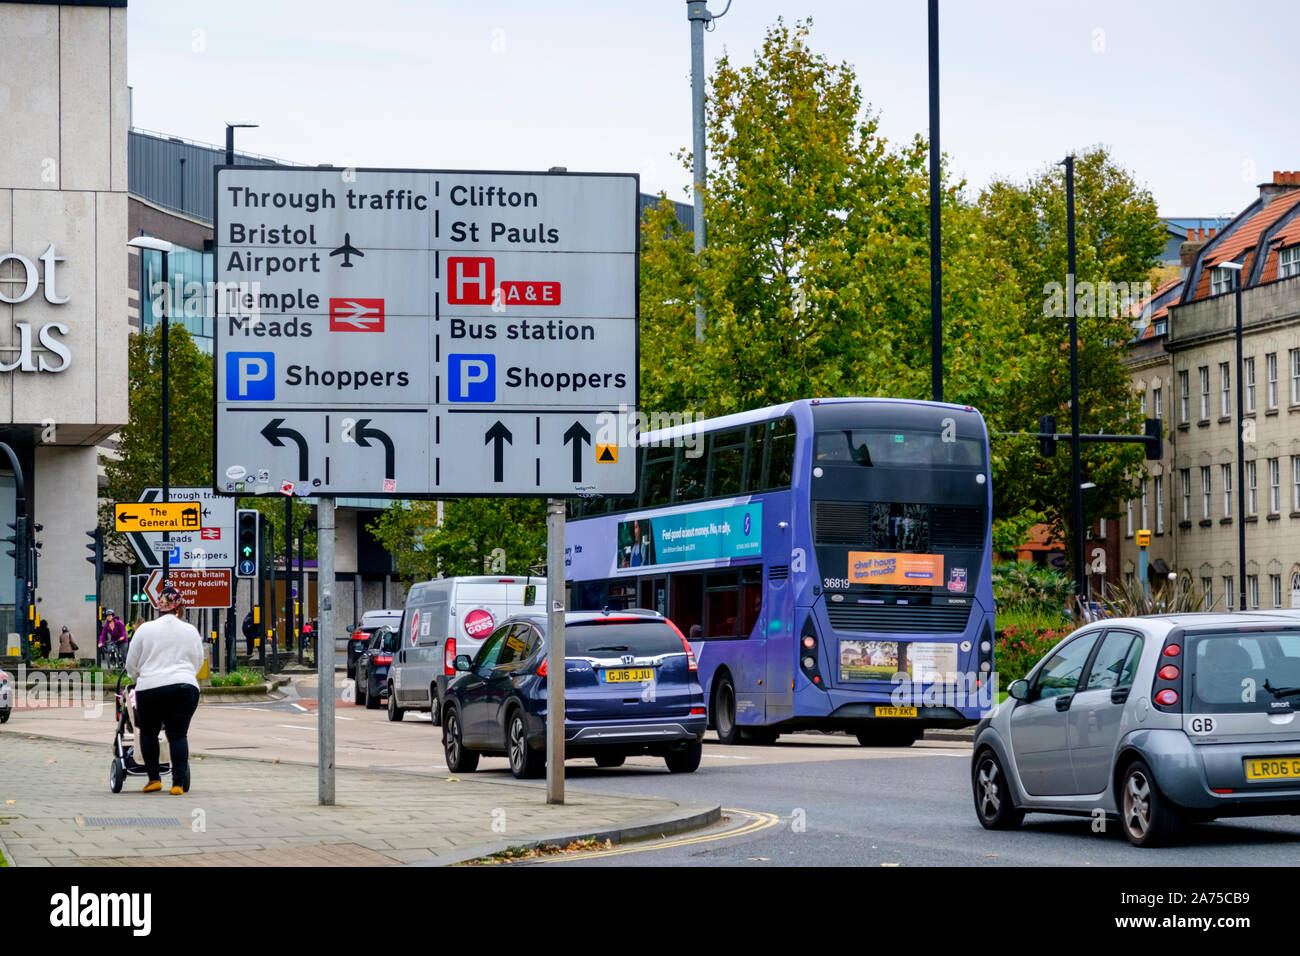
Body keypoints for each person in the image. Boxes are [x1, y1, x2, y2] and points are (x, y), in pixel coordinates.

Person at [125, 586, 203, 795]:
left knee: (149, 732)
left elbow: (131, 662)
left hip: (150, 688)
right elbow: (198, 660)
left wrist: (135, 678)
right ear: (180, 606)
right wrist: (185, 675)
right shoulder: (190, 630)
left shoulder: (145, 629)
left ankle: (153, 779)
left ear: (159, 605)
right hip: (184, 687)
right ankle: (177, 784)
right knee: (178, 735)